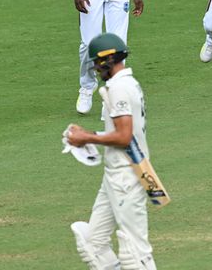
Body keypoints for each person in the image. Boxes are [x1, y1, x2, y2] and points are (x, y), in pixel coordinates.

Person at [66, 33, 156, 270]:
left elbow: (124, 136)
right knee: (92, 242)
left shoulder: (120, 88)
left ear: (108, 59)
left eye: (97, 62)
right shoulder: (125, 84)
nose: (95, 68)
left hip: (127, 175)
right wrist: (89, 136)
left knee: (135, 251)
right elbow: (121, 130)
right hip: (115, 174)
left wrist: (86, 137)